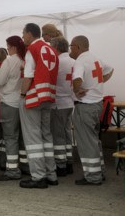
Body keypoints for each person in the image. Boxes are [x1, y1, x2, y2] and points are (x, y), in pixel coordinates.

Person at [18, 23, 59, 189]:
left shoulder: (32, 50)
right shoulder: (51, 49)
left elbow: (28, 77)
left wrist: (22, 95)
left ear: (29, 33)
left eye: (23, 33)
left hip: (34, 97)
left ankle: (38, 176)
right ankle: (51, 174)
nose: (22, 37)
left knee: (33, 138)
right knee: (46, 136)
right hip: (48, 96)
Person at [69, 35, 114, 185]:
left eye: (71, 46)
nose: (70, 49)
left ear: (78, 47)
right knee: (94, 140)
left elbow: (77, 78)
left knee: (86, 142)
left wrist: (77, 90)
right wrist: (98, 84)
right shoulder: (96, 58)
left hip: (85, 106)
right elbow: (110, 70)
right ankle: (99, 171)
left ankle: (93, 176)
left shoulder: (80, 61)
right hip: (97, 104)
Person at [0, 36, 26, 181]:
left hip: (8, 102)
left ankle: (12, 170)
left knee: (10, 137)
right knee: (23, 136)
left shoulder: (9, 60)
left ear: (12, 47)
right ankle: (25, 165)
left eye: (8, 47)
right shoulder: (25, 59)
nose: (7, 49)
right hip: (23, 102)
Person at [49, 37, 75, 176]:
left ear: (56, 47)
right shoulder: (73, 61)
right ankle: (69, 161)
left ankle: (61, 165)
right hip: (69, 102)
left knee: (58, 135)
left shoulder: (57, 62)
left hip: (58, 103)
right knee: (66, 133)